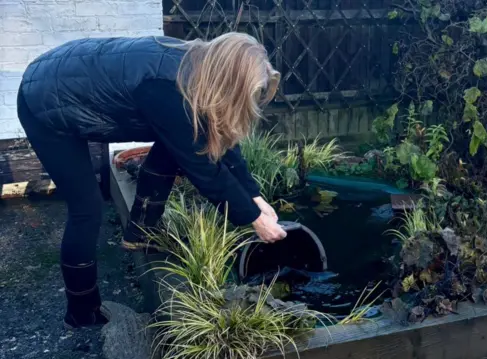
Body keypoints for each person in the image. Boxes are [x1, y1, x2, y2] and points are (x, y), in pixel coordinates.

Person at [16, 32, 288, 329]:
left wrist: (256, 197)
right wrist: (253, 219)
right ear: (230, 78)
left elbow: (222, 142)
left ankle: (139, 234)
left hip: (69, 74)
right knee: (86, 209)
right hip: (44, 98)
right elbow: (204, 169)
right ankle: (81, 312)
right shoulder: (169, 89)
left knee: (181, 139)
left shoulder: (199, 69)